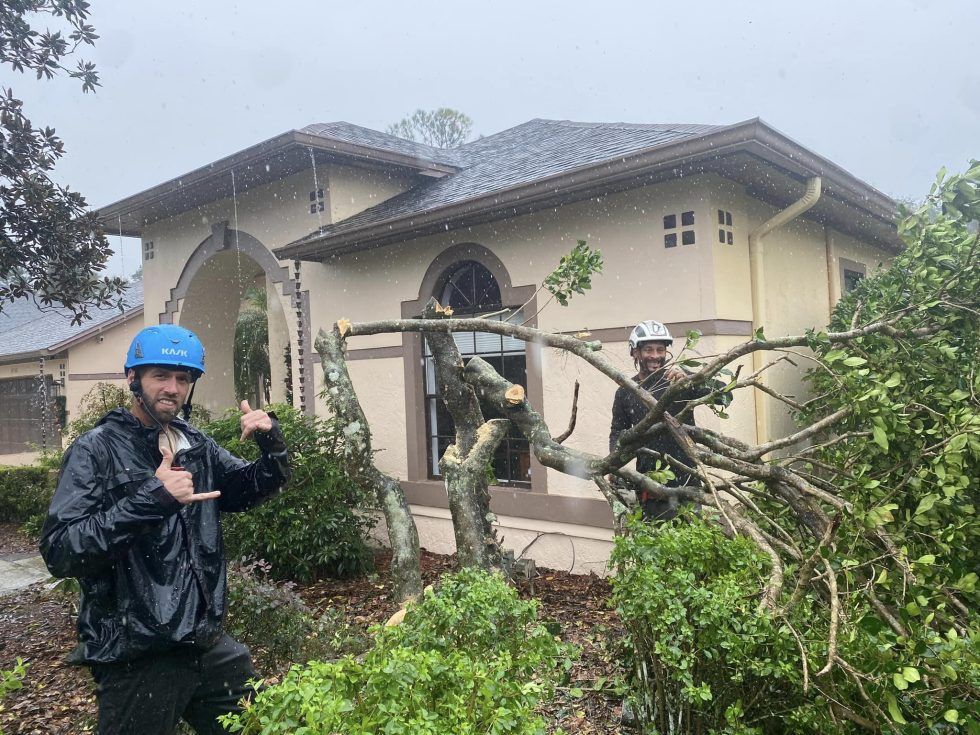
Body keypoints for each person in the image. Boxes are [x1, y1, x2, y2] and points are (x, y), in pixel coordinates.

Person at [40, 325, 290, 735]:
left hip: (204, 642)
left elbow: (246, 489)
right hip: (137, 653)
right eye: (160, 376)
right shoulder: (96, 450)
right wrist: (154, 498)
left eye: (183, 378)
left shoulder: (195, 443)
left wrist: (272, 443)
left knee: (259, 726)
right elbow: (62, 549)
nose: (172, 388)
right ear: (133, 379)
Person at [609, 319, 719, 521]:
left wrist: (690, 379)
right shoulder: (625, 392)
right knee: (655, 544)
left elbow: (721, 394)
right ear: (635, 351)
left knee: (690, 546)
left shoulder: (678, 382)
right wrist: (614, 466)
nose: (655, 356)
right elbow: (618, 432)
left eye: (660, 350)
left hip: (687, 482)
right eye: (648, 350)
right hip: (650, 486)